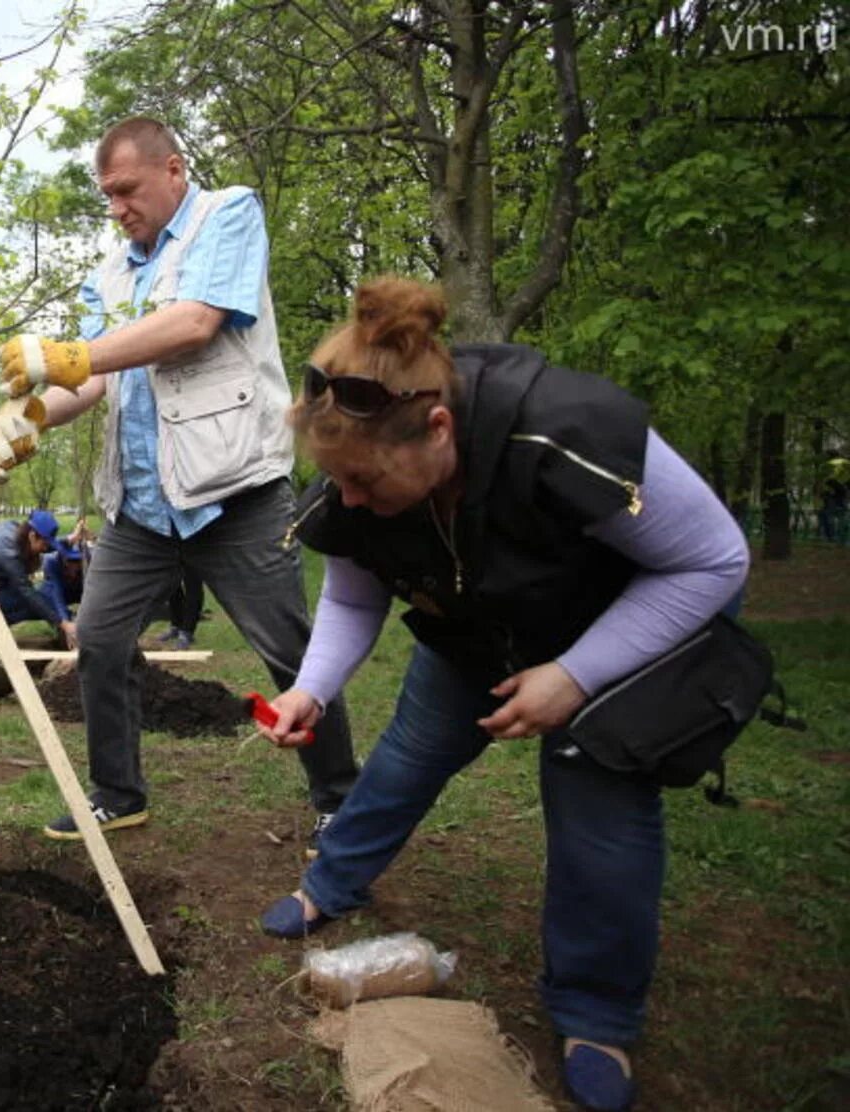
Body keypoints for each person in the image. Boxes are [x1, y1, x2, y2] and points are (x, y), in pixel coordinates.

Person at [256, 277, 749, 1112]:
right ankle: (333, 883)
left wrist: (577, 674)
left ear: (438, 430)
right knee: (410, 752)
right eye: (336, 482)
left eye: (367, 482)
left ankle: (597, 1011)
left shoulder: (562, 429)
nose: (350, 501)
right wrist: (312, 686)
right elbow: (351, 594)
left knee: (595, 805)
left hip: (624, 633)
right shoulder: (358, 470)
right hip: (479, 628)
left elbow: (713, 560)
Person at [0, 116, 357, 843]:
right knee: (99, 640)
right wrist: (30, 417)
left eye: (126, 189)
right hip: (140, 508)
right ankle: (118, 793)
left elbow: (195, 323)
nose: (118, 207)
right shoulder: (112, 274)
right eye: (107, 196)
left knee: (292, 651)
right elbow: (86, 381)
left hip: (236, 494)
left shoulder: (229, 214)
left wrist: (71, 359)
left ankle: (340, 799)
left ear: (173, 170)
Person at [0, 509, 77, 647]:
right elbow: (28, 593)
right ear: (32, 536)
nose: (45, 549)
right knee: (32, 603)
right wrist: (63, 624)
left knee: (40, 600)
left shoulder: (19, 530)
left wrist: (69, 540)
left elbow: (46, 544)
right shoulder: (8, 555)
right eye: (44, 544)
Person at [40, 522, 93, 630]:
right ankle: (62, 625)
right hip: (62, 592)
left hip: (83, 593)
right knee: (45, 592)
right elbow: (56, 595)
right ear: (62, 557)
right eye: (69, 560)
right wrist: (66, 623)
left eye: (77, 561)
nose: (73, 565)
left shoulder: (92, 562)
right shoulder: (51, 562)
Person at [153, 566, 204, 650]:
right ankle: (176, 626)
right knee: (172, 584)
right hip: (173, 554)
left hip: (195, 555)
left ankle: (187, 632)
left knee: (193, 585)